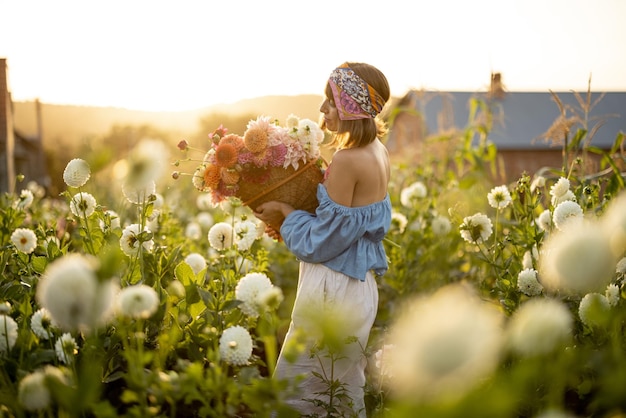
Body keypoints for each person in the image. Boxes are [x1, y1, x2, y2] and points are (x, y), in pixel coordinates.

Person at [254, 62, 392, 417]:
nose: (321, 110)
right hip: (360, 288)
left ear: (350, 107)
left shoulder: (347, 160)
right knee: (341, 390)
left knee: (301, 392)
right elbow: (347, 226)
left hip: (333, 288)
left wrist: (285, 213)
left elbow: (321, 243)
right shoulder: (379, 152)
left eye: (329, 101)